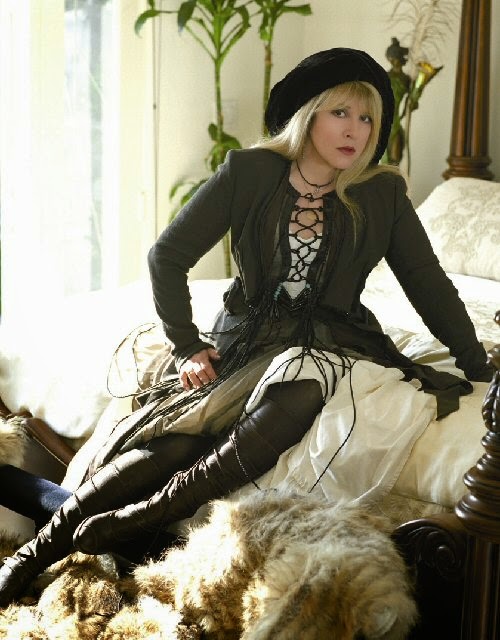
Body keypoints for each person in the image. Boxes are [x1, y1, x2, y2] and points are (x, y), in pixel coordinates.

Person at [0, 47, 492, 607]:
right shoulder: (250, 172)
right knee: (177, 443)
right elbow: (167, 256)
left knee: (303, 384)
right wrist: (186, 345)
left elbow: (430, 287)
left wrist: (476, 364)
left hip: (333, 342)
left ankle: (146, 515)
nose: (355, 130)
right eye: (340, 112)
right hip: (244, 341)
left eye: (367, 119)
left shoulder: (383, 194)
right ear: (308, 114)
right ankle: (30, 556)